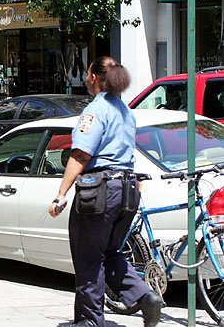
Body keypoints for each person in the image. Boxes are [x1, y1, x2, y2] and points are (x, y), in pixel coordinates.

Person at [48, 56, 163, 327]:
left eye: (89, 73)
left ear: (93, 78)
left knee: (89, 258)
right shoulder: (125, 111)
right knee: (109, 253)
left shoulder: (95, 110)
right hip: (127, 190)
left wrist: (61, 193)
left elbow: (80, 154)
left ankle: (89, 321)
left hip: (100, 191)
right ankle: (144, 295)